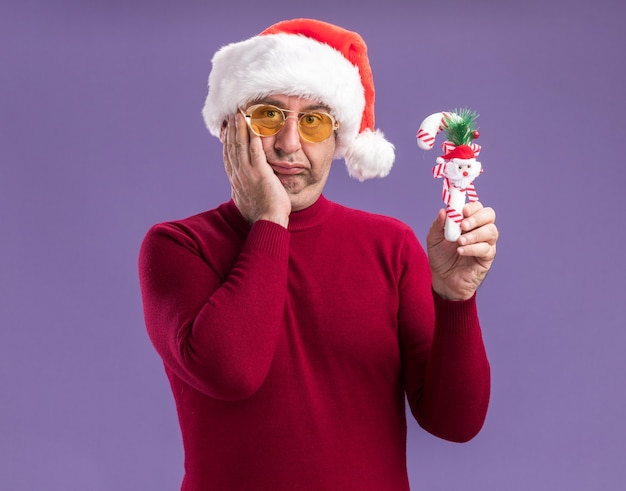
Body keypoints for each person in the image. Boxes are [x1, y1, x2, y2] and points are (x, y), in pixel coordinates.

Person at [138, 18, 498, 491]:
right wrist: (271, 218)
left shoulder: (389, 246)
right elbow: (233, 373)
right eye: (268, 116)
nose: (289, 144)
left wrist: (455, 299)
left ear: (338, 139)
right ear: (230, 129)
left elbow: (456, 422)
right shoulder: (178, 246)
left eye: (312, 121)